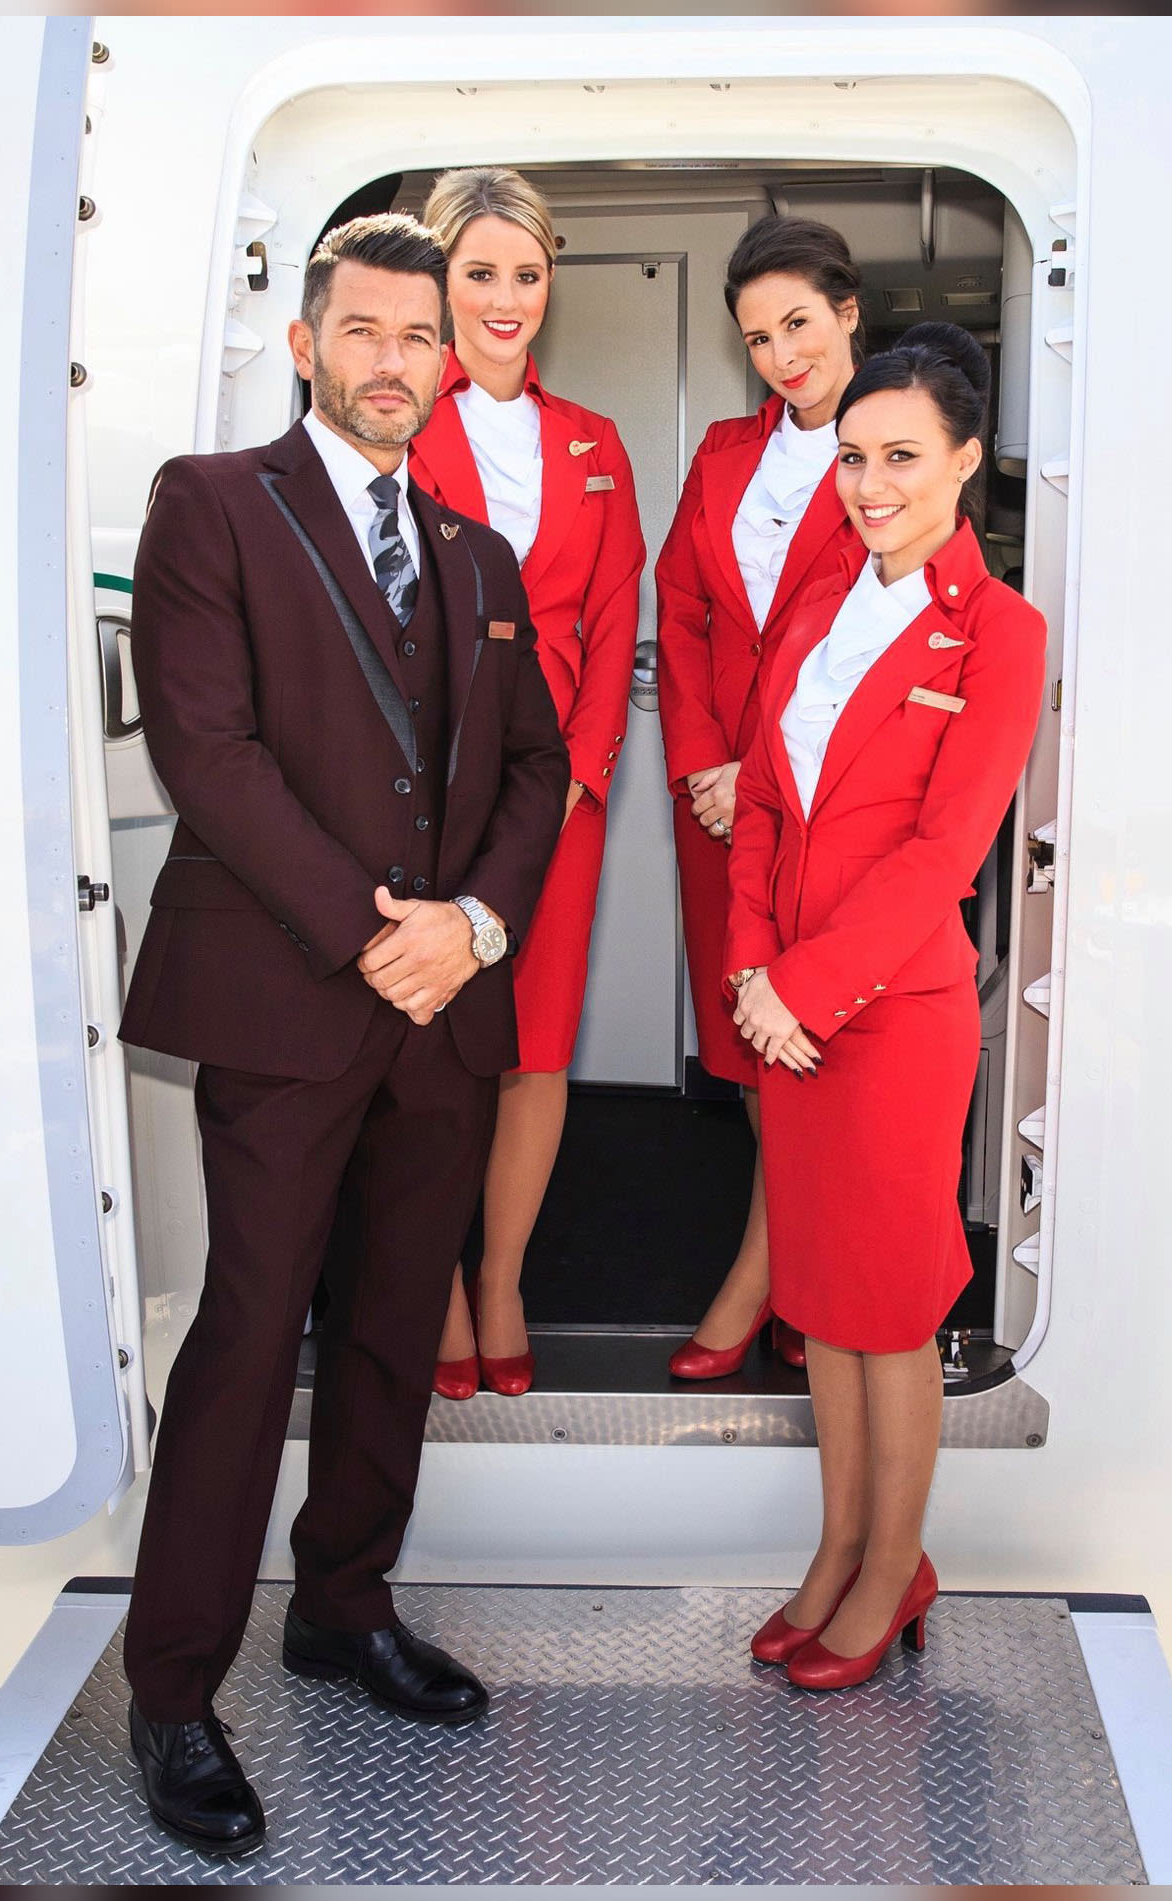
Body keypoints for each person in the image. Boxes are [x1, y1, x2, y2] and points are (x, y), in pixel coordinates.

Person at [113, 212, 570, 1854]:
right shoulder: (211, 506)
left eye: (419, 336)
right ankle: (172, 1692)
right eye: (363, 331)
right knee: (249, 1337)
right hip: (291, 1001)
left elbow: (539, 771)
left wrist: (476, 929)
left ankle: (343, 1608)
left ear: (450, 362)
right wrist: (381, 928)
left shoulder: (476, 557)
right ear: (307, 344)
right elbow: (208, 748)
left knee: (393, 1329)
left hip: (439, 1013)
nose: (394, 361)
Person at [722, 322, 1045, 1690]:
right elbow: (757, 808)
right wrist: (748, 974)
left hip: (890, 1015)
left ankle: (895, 1561)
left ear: (965, 462)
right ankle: (842, 1552)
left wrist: (801, 987)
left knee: (890, 1310)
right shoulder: (815, 609)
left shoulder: (1000, 634)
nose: (869, 484)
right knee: (822, 1300)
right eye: (853, 457)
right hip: (783, 1012)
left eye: (900, 456)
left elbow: (943, 852)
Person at [403, 166, 643, 1401]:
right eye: (480, 273)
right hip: (429, 784)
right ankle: (433, 1287)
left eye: (527, 275)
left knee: (534, 1049)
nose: (506, 300)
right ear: (440, 283)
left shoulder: (595, 443)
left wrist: (585, 780)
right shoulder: (396, 419)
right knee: (430, 1045)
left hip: (558, 799)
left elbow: (613, 619)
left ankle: (499, 1277)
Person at [651, 215, 868, 1381]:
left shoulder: (894, 454)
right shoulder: (726, 457)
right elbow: (677, 604)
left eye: (798, 322)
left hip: (825, 800)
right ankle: (796, 1268)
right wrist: (699, 762)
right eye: (756, 338)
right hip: (718, 805)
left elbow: (868, 646)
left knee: (822, 1037)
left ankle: (768, 1278)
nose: (783, 354)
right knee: (749, 1039)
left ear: (847, 313)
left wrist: (764, 777)